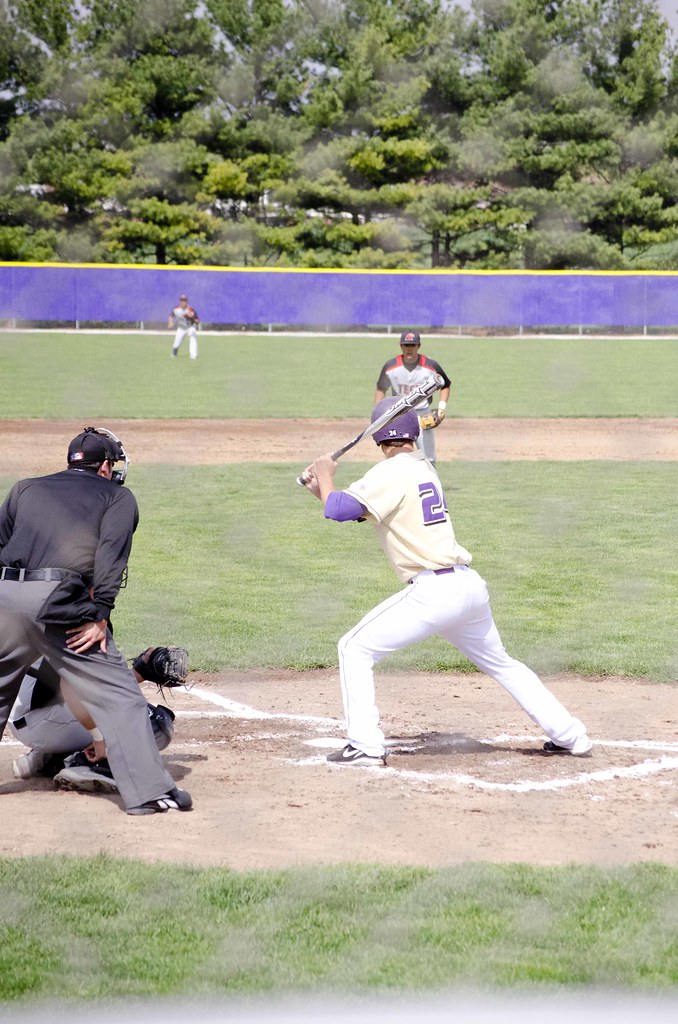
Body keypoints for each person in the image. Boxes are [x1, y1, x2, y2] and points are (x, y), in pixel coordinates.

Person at [301, 398, 592, 766]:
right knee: (503, 663)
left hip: (434, 594)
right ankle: (570, 735)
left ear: (380, 438)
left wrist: (327, 475)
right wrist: (322, 491)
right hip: (467, 589)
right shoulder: (422, 467)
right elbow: (351, 510)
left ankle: (365, 745)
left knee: (353, 648)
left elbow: (339, 509)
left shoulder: (390, 473)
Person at [0, 426, 192, 814]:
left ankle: (50, 756)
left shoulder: (25, 488)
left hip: (5, 594)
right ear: (105, 466)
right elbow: (110, 558)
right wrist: (99, 614)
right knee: (119, 697)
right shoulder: (118, 497)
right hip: (56, 600)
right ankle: (148, 792)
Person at [10, 649, 181, 794]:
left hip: (26, 712)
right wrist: (140, 673)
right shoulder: (84, 620)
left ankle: (47, 760)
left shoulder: (52, 614)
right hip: (42, 720)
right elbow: (77, 686)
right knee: (151, 721)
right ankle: (89, 765)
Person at [375, 328, 451, 465]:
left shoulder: (430, 366)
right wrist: (378, 414)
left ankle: (430, 483)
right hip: (399, 416)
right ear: (401, 346)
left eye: (412, 345)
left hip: (423, 416)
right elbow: (381, 389)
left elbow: (445, 384)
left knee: (428, 458)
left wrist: (441, 408)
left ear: (418, 346)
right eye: (406, 345)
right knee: (398, 457)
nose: (409, 349)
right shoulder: (390, 367)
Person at [169, 293, 199, 360]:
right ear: (180, 301)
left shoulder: (190, 309)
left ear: (187, 301)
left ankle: (193, 356)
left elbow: (197, 321)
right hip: (181, 328)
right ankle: (174, 352)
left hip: (190, 327)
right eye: (181, 300)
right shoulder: (176, 309)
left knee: (192, 333)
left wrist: (191, 318)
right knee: (176, 343)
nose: (183, 301)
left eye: (184, 300)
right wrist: (170, 322)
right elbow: (171, 316)